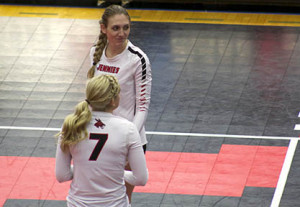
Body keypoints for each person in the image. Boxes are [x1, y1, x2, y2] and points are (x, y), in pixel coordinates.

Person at [87, 4, 152, 204]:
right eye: (116, 28)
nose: (122, 33)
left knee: (122, 199)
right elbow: (90, 98)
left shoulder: (138, 59)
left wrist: (128, 139)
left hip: (128, 141)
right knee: (97, 197)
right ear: (103, 28)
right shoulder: (94, 54)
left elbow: (142, 106)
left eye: (126, 27)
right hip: (99, 139)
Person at [55, 74, 148, 207]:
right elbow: (141, 178)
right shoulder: (128, 129)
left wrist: (86, 169)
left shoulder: (71, 125)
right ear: (113, 101)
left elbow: (61, 175)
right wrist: (114, 171)